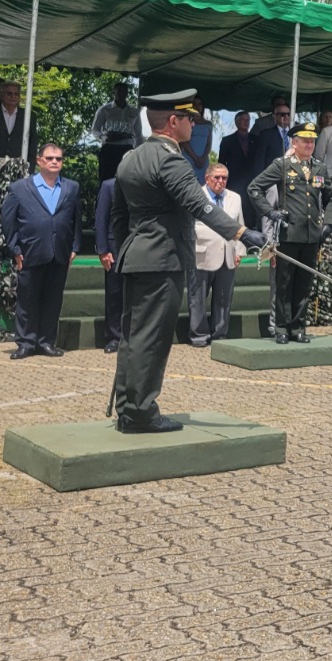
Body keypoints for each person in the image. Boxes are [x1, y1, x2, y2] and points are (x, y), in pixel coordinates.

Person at [109, 89, 264, 434]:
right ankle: (142, 412)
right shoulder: (170, 159)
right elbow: (201, 205)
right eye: (188, 118)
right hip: (163, 258)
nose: (194, 124)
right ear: (172, 122)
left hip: (137, 256)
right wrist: (241, 233)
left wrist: (129, 251)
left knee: (133, 337)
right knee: (153, 338)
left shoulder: (130, 158)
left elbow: (119, 217)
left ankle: (127, 407)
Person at [245, 120, 332, 344]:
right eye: (305, 141)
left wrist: (328, 224)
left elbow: (331, 198)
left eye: (312, 141)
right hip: (288, 234)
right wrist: (270, 213)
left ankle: (298, 328)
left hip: (312, 235)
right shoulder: (282, 165)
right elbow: (254, 188)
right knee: (285, 283)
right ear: (294, 142)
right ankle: (282, 328)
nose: (309, 145)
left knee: (304, 283)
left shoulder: (320, 168)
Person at [0, 143, 81, 359]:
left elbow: (75, 220)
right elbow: (8, 221)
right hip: (30, 251)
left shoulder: (71, 187)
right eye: (50, 158)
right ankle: (26, 342)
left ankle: (46, 342)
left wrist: (75, 246)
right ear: (39, 161)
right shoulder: (19, 188)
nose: (55, 162)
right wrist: (14, 248)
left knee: (53, 300)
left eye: (59, 159)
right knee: (28, 299)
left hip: (59, 252)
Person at [189, 163, 246, 346]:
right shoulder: (195, 196)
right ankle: (199, 335)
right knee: (198, 299)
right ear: (207, 178)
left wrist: (239, 251)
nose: (221, 182)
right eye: (217, 177)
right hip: (201, 254)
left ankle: (219, 335)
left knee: (223, 299)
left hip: (227, 255)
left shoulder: (235, 198)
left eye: (224, 178)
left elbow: (240, 225)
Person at [93, 177, 124, 353]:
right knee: (115, 294)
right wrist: (103, 250)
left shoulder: (147, 185)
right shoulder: (109, 186)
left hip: (141, 249)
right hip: (114, 249)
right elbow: (101, 220)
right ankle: (114, 337)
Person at [90, 82, 143, 181]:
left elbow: (139, 134)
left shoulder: (133, 111)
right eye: (119, 92)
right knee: (106, 178)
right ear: (113, 93)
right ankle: (104, 196)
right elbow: (95, 129)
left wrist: (138, 152)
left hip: (127, 149)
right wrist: (104, 138)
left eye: (124, 92)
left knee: (126, 179)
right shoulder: (104, 110)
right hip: (109, 148)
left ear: (127, 93)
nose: (121, 94)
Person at [217, 110, 258, 198]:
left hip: (252, 182)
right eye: (244, 120)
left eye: (248, 120)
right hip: (234, 182)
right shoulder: (227, 141)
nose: (246, 122)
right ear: (237, 122)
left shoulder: (256, 140)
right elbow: (221, 163)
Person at [252, 98, 291, 174]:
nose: (286, 116)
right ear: (274, 116)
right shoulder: (265, 135)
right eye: (282, 114)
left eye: (288, 114)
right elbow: (259, 161)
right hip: (273, 178)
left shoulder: (297, 134)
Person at [183, 96, 212, 186]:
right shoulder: (186, 122)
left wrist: (202, 159)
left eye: (200, 104)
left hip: (203, 160)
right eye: (194, 104)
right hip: (189, 159)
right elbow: (184, 141)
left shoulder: (208, 124)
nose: (197, 106)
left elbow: (208, 144)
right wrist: (195, 158)